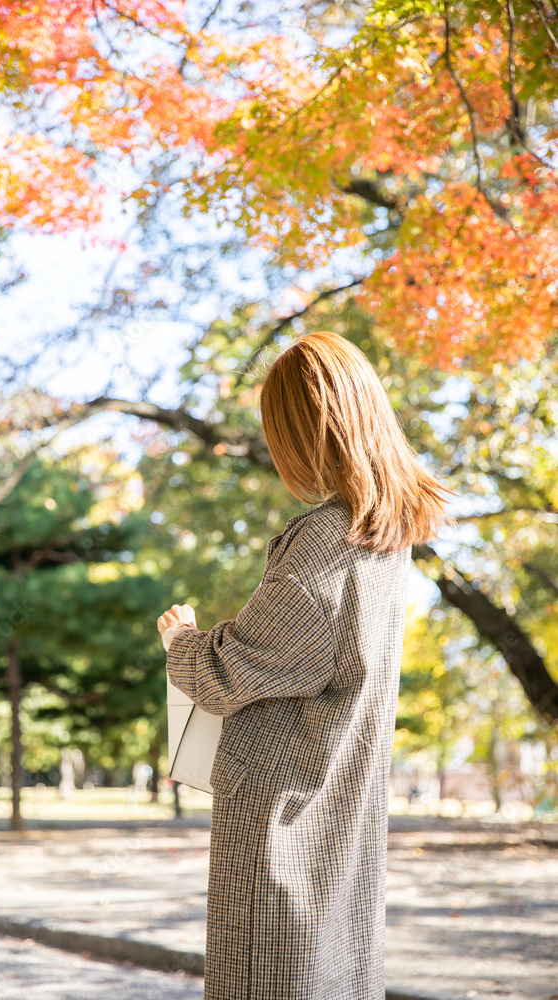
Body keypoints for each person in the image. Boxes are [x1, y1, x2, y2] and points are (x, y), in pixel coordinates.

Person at [157, 330, 457, 1000]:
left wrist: (180, 636)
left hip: (282, 828)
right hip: (337, 823)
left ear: (305, 429)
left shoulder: (325, 542)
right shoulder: (384, 544)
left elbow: (224, 673)